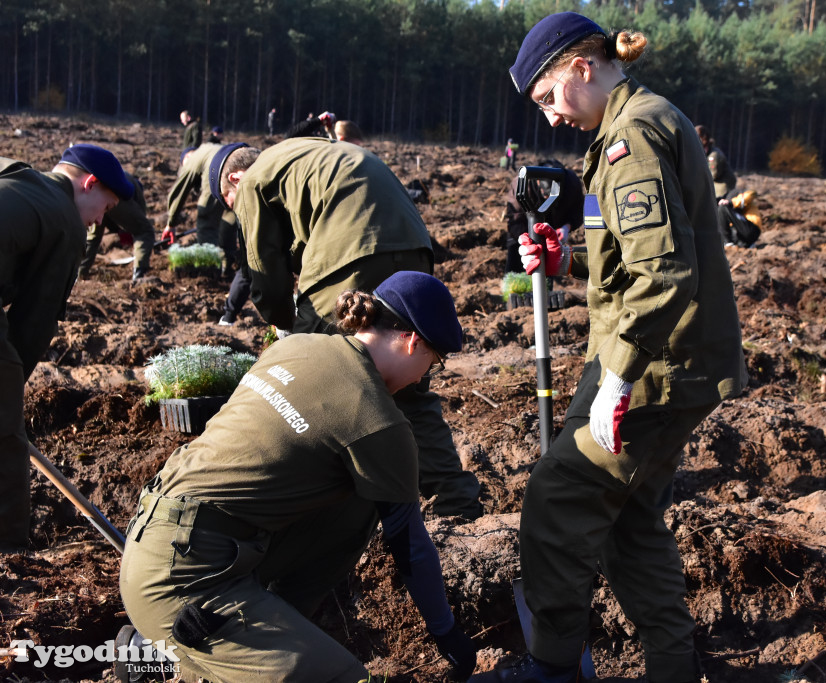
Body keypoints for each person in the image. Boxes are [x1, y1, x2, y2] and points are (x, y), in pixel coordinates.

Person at [476, 13, 749, 683]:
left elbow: (664, 274)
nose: (549, 118)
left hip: (655, 369)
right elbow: (635, 256)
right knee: (629, 522)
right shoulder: (632, 128)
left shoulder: (632, 139)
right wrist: (567, 260)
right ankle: (672, 668)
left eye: (547, 97)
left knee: (559, 496)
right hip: (668, 362)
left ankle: (553, 666)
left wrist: (619, 378)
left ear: (582, 66)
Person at [119, 271, 479, 683]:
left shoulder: (295, 345)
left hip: (156, 534)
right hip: (185, 579)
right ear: (413, 342)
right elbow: (411, 547)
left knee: (364, 498)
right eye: (430, 366)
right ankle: (167, 652)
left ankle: (263, 622)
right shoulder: (378, 421)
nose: (422, 378)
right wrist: (446, 632)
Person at [210, 138, 482, 520]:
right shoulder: (307, 152)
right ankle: (456, 500)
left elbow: (261, 267)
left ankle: (295, 498)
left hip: (348, 256)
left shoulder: (254, 180)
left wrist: (285, 325)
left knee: (309, 379)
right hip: (413, 247)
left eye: (231, 205)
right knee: (411, 391)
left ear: (235, 179)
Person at [1, 144, 133, 551]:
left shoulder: (15, 173)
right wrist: (9, 390)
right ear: (88, 183)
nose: (98, 222)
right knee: (5, 438)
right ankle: (10, 547)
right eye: (104, 207)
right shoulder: (65, 222)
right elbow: (34, 321)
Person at [164, 142, 238, 273]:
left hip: (217, 174)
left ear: (185, 158)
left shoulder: (192, 159)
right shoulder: (210, 148)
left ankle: (209, 271)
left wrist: (171, 223)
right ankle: (229, 264)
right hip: (237, 172)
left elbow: (179, 191)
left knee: (207, 223)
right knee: (230, 222)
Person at [503, 159, 583, 274]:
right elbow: (514, 220)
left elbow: (578, 210)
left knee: (548, 267)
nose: (547, 198)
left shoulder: (572, 184)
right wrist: (528, 241)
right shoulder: (522, 186)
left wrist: (567, 227)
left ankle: (545, 289)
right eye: (545, 194)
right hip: (523, 227)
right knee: (515, 266)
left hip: (553, 227)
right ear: (539, 183)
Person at [78, 174, 157, 282]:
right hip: (115, 196)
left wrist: (120, 230)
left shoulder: (122, 176)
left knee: (93, 238)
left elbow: (110, 220)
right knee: (145, 231)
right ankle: (139, 275)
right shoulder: (135, 191)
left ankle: (79, 273)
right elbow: (140, 227)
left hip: (99, 194)